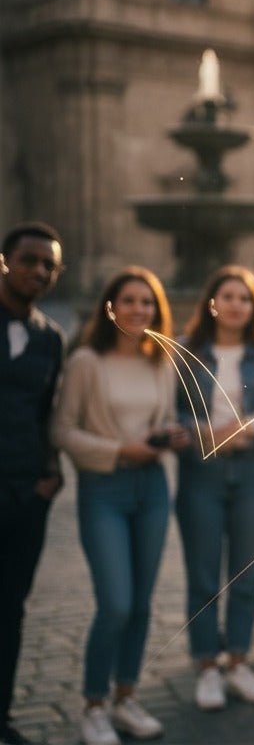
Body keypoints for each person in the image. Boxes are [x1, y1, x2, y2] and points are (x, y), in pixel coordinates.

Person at [52, 267, 191, 745]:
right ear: (110, 308)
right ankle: (93, 705)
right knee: (116, 603)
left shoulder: (161, 362)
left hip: (151, 488)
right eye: (129, 300)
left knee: (142, 604)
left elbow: (163, 418)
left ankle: (125, 698)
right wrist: (119, 450)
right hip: (104, 490)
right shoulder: (86, 362)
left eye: (147, 302)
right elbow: (62, 430)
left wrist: (169, 435)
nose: (139, 309)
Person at [174, 267, 254, 710]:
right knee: (203, 575)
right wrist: (205, 431)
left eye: (244, 298)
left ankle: (238, 661)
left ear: (253, 307)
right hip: (202, 472)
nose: (236, 304)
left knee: (246, 574)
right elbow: (172, 412)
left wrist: (246, 427)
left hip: (253, 470)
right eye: (228, 296)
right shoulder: (188, 353)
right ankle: (207, 666)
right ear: (212, 303)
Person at [0, 223, 66, 745]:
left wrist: (51, 475)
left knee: (10, 609)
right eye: (29, 260)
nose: (39, 271)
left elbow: (46, 413)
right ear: (5, 262)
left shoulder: (51, 338)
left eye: (49, 265)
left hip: (25, 496)